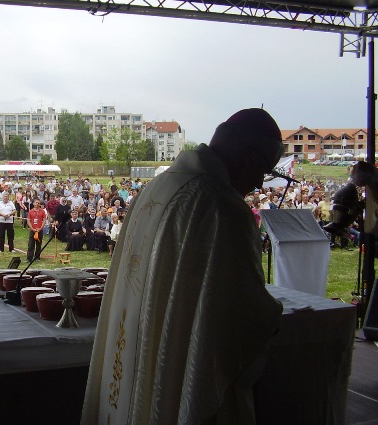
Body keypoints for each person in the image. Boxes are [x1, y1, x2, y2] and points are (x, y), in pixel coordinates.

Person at [82, 108, 284, 425]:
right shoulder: (221, 206)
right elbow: (235, 316)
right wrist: (270, 313)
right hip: (167, 355)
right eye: (264, 170)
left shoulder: (157, 186)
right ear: (250, 158)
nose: (260, 182)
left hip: (133, 333)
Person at [26, 198, 47, 263]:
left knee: (39, 244)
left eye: (38, 203)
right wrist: (32, 228)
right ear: (33, 203)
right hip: (33, 230)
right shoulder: (31, 211)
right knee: (31, 244)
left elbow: (44, 220)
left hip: (39, 230)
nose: (37, 204)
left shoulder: (42, 211)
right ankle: (29, 258)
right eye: (36, 203)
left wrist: (40, 228)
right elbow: (28, 220)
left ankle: (37, 257)